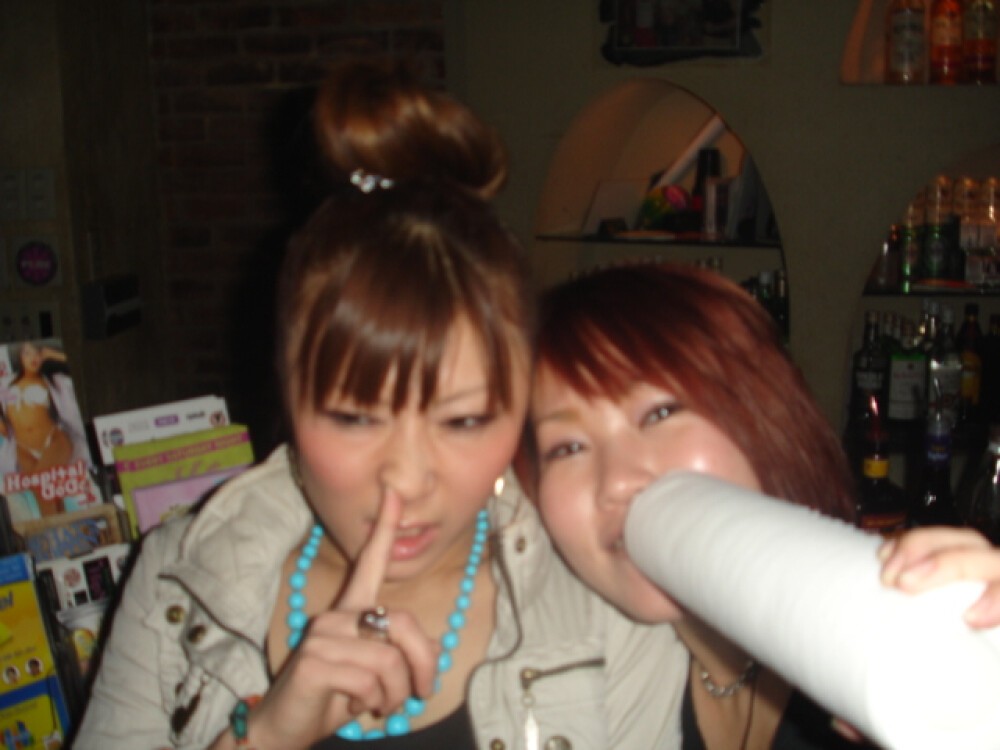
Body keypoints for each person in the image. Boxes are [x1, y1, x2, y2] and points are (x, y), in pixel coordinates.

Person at [72, 60, 688, 750]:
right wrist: (263, 737)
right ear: (286, 397)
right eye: (355, 418)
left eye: (464, 421)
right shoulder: (178, 582)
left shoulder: (607, 604)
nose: (408, 480)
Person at [527, 261, 1000, 750]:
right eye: (566, 447)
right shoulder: (585, 678)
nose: (617, 481)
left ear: (764, 418)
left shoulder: (894, 640)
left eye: (660, 412)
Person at [0, 340, 87, 474]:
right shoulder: (7, 384)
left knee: (40, 481)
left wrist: (52, 354)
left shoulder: (54, 381)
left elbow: (82, 365)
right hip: (22, 448)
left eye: (37, 353)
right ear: (20, 357)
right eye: (27, 353)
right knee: (34, 486)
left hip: (53, 441)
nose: (33, 357)